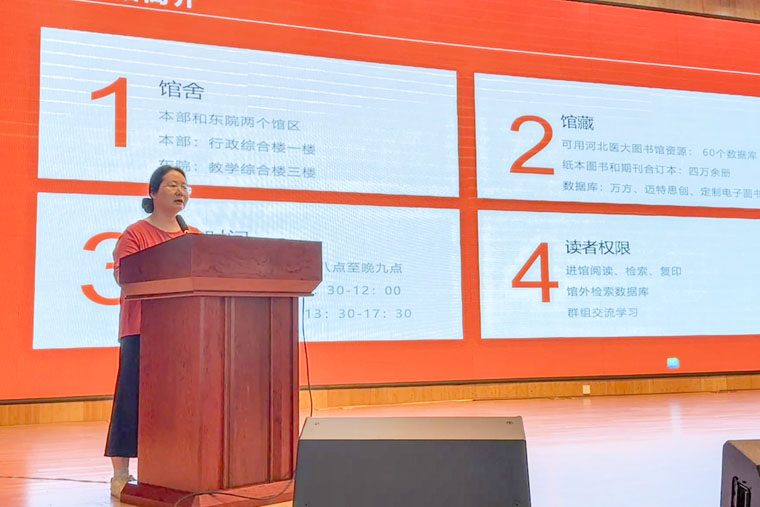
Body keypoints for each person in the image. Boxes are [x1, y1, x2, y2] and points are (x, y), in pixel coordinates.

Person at [104, 165, 200, 497]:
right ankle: (120, 473)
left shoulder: (193, 236)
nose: (180, 191)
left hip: (185, 333)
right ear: (153, 192)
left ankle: (174, 465)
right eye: (172, 185)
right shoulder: (135, 234)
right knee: (131, 398)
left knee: (179, 402)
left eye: (185, 186)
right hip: (142, 330)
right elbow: (125, 277)